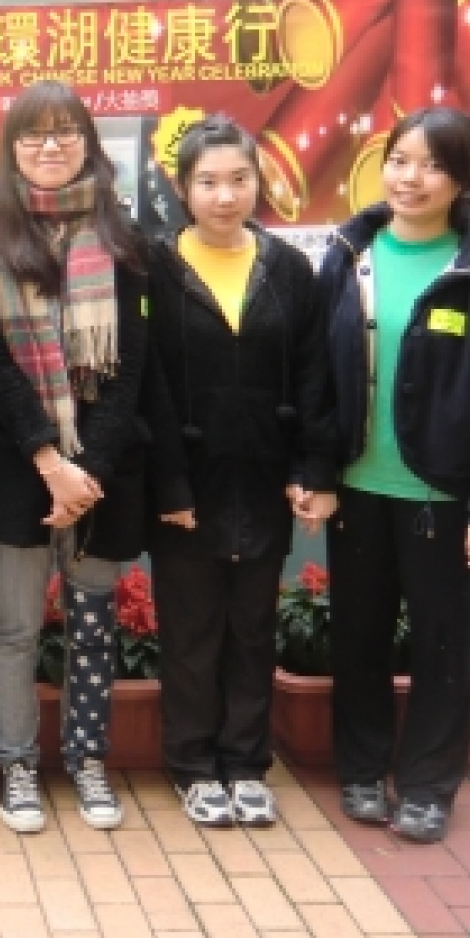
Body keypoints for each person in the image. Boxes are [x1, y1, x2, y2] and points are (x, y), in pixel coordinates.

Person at [317, 107, 470, 844]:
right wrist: (316, 470)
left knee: (443, 646)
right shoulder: (347, 256)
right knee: (358, 638)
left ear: (462, 180)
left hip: (442, 495)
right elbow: (317, 377)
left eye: (433, 165)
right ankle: (361, 768)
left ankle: (429, 786)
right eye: (400, 160)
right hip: (357, 489)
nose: (411, 179)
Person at [0, 80, 152, 835]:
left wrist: (89, 471)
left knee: (94, 621)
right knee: (15, 629)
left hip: (102, 469)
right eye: (33, 134)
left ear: (88, 142)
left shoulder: (121, 232)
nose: (50, 146)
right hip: (20, 467)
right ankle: (16, 763)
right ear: (11, 148)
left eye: (66, 131)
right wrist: (49, 461)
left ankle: (87, 758)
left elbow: (131, 364)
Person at [144, 115, 335, 829]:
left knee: (253, 628)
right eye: (208, 182)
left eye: (239, 179)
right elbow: (147, 388)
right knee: (191, 630)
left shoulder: (288, 270)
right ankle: (193, 765)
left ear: (259, 182)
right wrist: (168, 483)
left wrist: (312, 469)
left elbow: (314, 376)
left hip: (263, 480)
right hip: (185, 485)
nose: (225, 196)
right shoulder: (155, 269)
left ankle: (246, 763)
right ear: (182, 189)